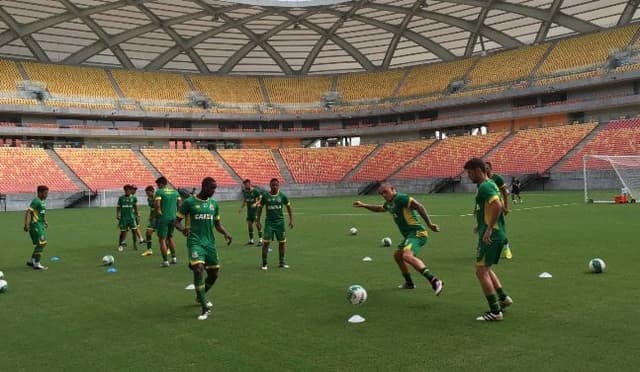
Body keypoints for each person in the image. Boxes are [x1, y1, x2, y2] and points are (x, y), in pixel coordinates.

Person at [353, 183, 444, 295]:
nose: (383, 195)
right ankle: (409, 283)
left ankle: (434, 281)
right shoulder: (390, 203)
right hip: (409, 236)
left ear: (393, 189)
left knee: (406, 255)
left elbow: (419, 206)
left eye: (385, 191)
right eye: (381, 193)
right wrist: (364, 205)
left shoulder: (401, 198)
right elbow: (379, 208)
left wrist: (430, 224)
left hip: (417, 233)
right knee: (398, 256)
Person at [175, 177, 232, 320]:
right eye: (212, 188)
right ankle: (204, 307)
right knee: (199, 269)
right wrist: (182, 230)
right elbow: (176, 221)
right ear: (204, 186)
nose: (214, 191)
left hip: (210, 244)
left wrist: (226, 233)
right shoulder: (189, 202)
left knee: (214, 274)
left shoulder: (214, 204)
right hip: (195, 242)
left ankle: (200, 295)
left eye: (215, 188)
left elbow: (217, 224)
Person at [464, 158, 513, 321]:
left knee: (481, 271)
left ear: (478, 170)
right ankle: (503, 298)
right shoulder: (487, 184)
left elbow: (497, 205)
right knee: (486, 268)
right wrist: (481, 224)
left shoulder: (486, 186)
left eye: (469, 172)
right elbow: (489, 207)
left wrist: (489, 229)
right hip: (495, 233)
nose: (468, 176)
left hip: (492, 235)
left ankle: (495, 311)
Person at [256, 178, 293, 270]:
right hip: (269, 223)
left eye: (276, 185)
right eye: (273, 185)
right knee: (266, 243)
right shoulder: (265, 196)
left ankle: (282, 262)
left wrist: (291, 220)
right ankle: (264, 264)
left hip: (280, 223)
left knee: (282, 243)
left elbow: (288, 207)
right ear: (270, 185)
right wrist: (258, 221)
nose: (275, 186)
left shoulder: (282, 196)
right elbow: (260, 208)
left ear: (279, 185)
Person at [485, 161, 512, 260]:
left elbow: (505, 193)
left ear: (491, 168)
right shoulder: (482, 181)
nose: (485, 170)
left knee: (499, 228)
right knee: (485, 227)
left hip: (498, 206)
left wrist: (505, 207)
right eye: (484, 168)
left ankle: (506, 247)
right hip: (486, 208)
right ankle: (487, 249)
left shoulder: (497, 178)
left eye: (487, 168)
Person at [155, 177, 181, 267]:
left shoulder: (159, 192)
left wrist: (157, 216)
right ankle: (174, 258)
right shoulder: (175, 192)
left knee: (162, 239)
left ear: (161, 184)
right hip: (173, 218)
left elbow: (157, 207)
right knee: (170, 237)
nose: (157, 186)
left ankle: (165, 261)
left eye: (158, 184)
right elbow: (179, 205)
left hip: (163, 218)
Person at [24, 185, 49, 270]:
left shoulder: (42, 202)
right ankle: (37, 263)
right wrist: (26, 224)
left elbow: (40, 213)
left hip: (40, 225)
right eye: (45, 193)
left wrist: (45, 221)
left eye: (47, 193)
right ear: (39, 192)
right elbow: (28, 212)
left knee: (41, 243)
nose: (47, 195)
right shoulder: (36, 201)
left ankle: (32, 261)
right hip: (35, 225)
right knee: (42, 243)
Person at [116, 185, 144, 251]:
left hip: (131, 218)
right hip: (123, 218)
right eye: (126, 190)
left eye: (129, 190)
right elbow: (118, 207)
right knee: (123, 232)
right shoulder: (121, 198)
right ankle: (120, 245)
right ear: (124, 190)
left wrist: (137, 215)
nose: (128, 191)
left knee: (134, 231)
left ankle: (135, 244)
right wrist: (117, 214)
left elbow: (135, 207)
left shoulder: (134, 198)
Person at [238, 179, 263, 245]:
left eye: (246, 184)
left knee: (257, 224)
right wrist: (241, 208)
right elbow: (245, 201)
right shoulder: (246, 192)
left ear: (249, 183)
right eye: (244, 185)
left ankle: (261, 240)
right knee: (249, 225)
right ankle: (251, 240)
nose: (245, 186)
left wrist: (256, 203)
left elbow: (261, 199)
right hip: (249, 212)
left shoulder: (255, 191)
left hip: (255, 211)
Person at [141, 185, 156, 256]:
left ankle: (168, 249)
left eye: (148, 193)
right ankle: (149, 250)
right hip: (153, 219)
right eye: (146, 193)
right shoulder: (149, 199)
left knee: (163, 235)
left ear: (152, 191)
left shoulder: (158, 198)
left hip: (160, 218)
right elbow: (152, 209)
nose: (147, 194)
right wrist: (151, 216)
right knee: (148, 232)